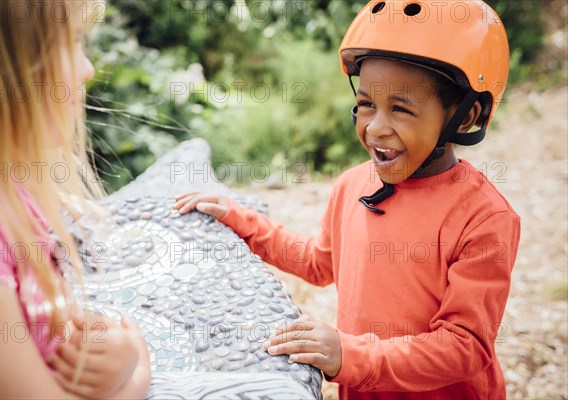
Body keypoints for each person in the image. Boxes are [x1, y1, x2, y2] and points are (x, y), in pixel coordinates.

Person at [173, 0, 520, 398]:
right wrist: (238, 219)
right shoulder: (353, 184)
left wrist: (351, 355)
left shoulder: (484, 217)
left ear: (467, 116)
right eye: (366, 104)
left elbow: (464, 346)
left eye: (401, 109)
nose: (375, 127)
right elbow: (319, 262)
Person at [0, 0, 150, 398]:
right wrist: (136, 373)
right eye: (72, 41)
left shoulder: (12, 193)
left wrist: (107, 355)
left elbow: (46, 335)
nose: (87, 69)